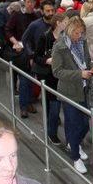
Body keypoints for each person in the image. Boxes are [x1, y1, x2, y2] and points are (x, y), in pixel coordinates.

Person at [51, 16, 93, 174]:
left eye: (82, 33)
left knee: (85, 124)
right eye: (77, 33)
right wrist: (80, 74)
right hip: (69, 92)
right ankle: (75, 157)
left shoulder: (82, 43)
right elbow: (57, 71)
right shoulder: (59, 47)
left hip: (83, 90)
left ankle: (74, 143)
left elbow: (87, 61)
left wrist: (92, 68)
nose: (80, 36)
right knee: (73, 124)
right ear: (70, 31)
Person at [34, 13, 68, 145]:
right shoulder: (45, 37)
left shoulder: (66, 37)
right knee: (54, 106)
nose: (67, 24)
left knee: (59, 106)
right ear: (58, 23)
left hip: (62, 75)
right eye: (65, 21)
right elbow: (37, 56)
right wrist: (48, 60)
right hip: (49, 76)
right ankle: (52, 133)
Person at [5, 0, 41, 118]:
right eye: (28, 2)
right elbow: (8, 29)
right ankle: (23, 106)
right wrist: (15, 42)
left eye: (32, 2)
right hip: (21, 52)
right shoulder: (17, 15)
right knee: (24, 78)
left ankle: (29, 101)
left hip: (34, 52)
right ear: (24, 2)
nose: (30, 4)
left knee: (32, 78)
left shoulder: (37, 16)